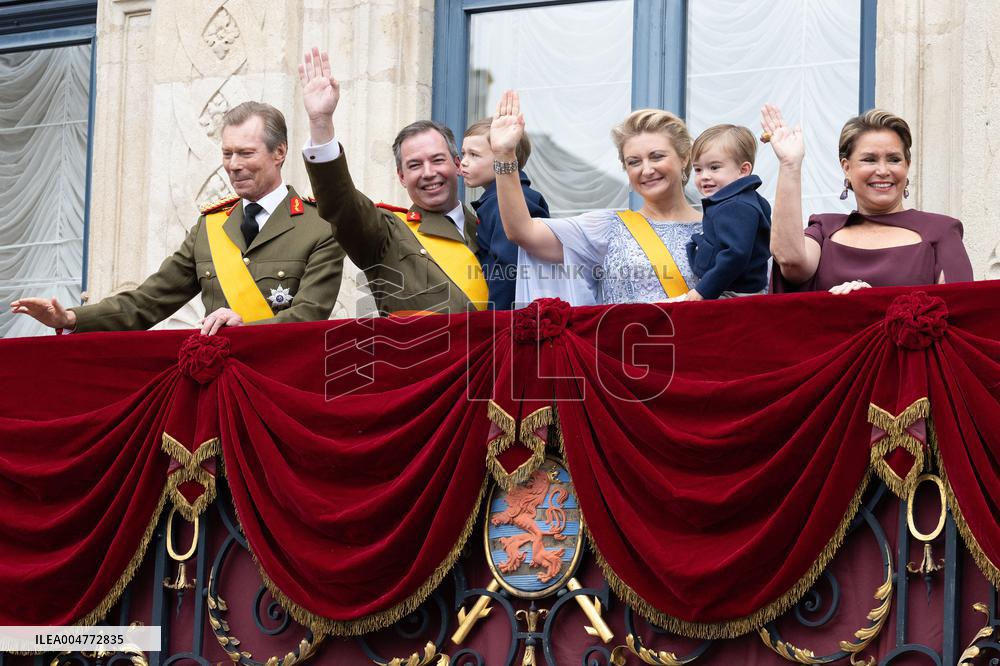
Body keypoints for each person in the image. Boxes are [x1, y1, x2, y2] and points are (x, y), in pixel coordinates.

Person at [10, 101, 345, 335]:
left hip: (281, 391)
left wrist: (246, 330)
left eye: (245, 153)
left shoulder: (319, 227)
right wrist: (69, 317)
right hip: (218, 386)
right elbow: (148, 301)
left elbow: (309, 317)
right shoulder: (210, 228)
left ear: (279, 153)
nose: (233, 165)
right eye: (227, 154)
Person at [298, 48, 488, 316]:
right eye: (414, 165)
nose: (428, 172)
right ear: (401, 177)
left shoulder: (488, 227)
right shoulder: (387, 233)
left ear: (457, 164)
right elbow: (342, 205)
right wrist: (321, 123)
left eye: (437, 160)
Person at [490, 90, 701, 305]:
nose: (646, 170)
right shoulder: (607, 228)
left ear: (684, 158)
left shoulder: (714, 229)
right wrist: (504, 154)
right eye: (634, 162)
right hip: (625, 338)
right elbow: (522, 231)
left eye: (657, 156)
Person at [761, 104, 973, 293]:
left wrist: (871, 303)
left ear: (907, 165)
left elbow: (959, 313)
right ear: (847, 168)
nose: (882, 170)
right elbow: (790, 261)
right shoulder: (824, 229)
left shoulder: (941, 231)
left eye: (894, 159)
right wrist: (790, 164)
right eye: (869, 159)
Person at [461, 118, 550, 310]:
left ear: (505, 157)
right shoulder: (496, 200)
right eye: (463, 154)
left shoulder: (503, 203)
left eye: (474, 155)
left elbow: (508, 268)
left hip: (508, 318)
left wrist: (495, 320)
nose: (463, 163)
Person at [684, 124, 771, 300]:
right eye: (698, 169)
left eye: (714, 167)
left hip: (734, 293)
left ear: (743, 170)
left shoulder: (736, 206)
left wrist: (703, 290)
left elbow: (735, 254)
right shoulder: (742, 199)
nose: (704, 176)